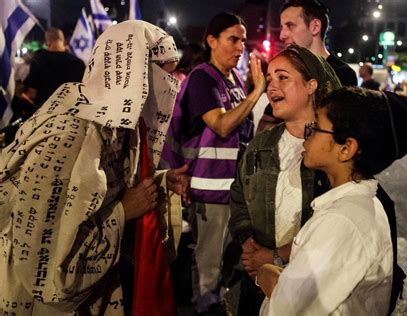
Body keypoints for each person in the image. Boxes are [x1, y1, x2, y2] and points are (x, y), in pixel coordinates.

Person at [0, 20, 189, 315]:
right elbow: (44, 269)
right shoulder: (68, 134)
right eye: (163, 74)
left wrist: (159, 184)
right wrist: (125, 211)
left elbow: (110, 190)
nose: (172, 85)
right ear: (132, 72)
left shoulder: (118, 126)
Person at [256, 87, 407, 315]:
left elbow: (286, 307)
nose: (307, 134)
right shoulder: (360, 206)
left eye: (316, 127)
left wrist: (265, 273)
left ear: (346, 148)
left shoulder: (341, 223)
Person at [161, 12, 266, 315]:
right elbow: (221, 125)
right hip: (209, 190)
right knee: (209, 262)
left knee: (227, 257)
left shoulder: (229, 79)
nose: (240, 47)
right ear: (211, 41)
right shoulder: (202, 77)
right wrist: (256, 93)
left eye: (243, 41)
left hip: (230, 188)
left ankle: (212, 302)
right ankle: (205, 308)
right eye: (233, 39)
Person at [229, 45, 341, 316]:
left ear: (311, 85)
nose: (272, 86)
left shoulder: (335, 149)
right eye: (269, 79)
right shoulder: (260, 145)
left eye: (283, 77)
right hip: (256, 281)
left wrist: (277, 256)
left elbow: (336, 221)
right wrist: (249, 246)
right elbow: (238, 196)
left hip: (308, 287)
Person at [257, 0, 357, 132]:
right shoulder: (286, 72)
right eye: (282, 27)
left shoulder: (342, 74)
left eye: (290, 25)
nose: (282, 35)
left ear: (315, 27)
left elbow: (340, 131)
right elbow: (266, 125)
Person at [23, 28, 85, 106]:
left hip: (44, 111)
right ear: (64, 41)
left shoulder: (39, 59)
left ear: (47, 42)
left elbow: (32, 94)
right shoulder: (78, 63)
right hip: (70, 111)